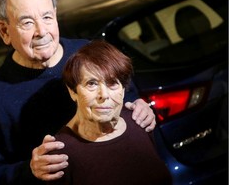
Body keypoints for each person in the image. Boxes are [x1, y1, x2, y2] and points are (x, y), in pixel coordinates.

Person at [0, 0, 156, 185]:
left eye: (47, 17)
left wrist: (141, 108)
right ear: (5, 31)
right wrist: (29, 170)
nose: (41, 32)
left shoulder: (89, 54)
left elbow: (129, 99)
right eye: (27, 22)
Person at [48, 40, 172, 185]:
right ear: (73, 92)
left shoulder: (139, 121)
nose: (104, 94)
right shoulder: (59, 154)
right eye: (92, 84)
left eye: (112, 83)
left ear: (124, 89)